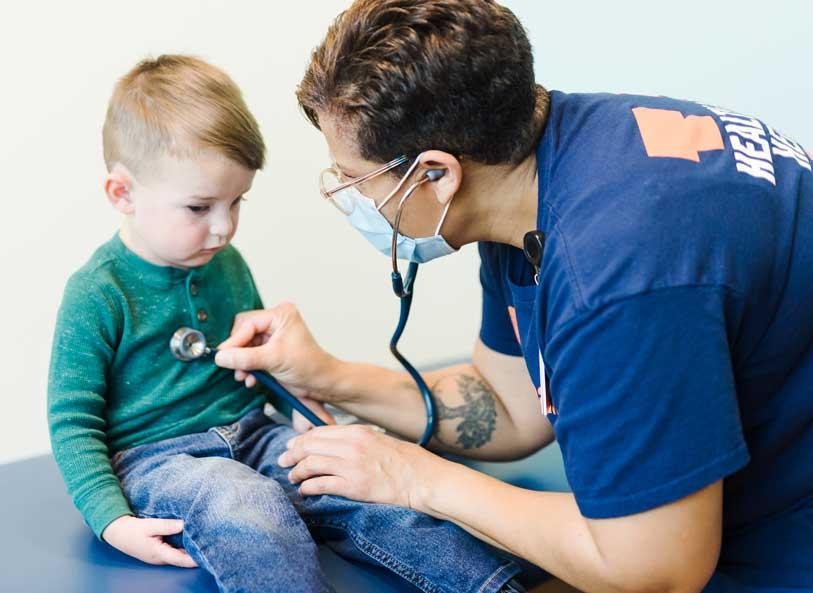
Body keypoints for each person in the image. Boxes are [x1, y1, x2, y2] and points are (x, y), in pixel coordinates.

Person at [214, 1, 813, 592]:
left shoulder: (612, 270)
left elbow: (654, 567)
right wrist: (328, 377)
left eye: (354, 178)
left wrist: (414, 478)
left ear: (436, 174)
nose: (345, 195)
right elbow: (510, 407)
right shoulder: (540, 170)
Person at [47, 54, 524, 593]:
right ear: (123, 194)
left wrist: (301, 417)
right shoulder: (97, 292)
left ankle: (490, 587)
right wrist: (112, 521)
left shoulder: (224, 263)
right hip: (161, 459)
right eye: (199, 207)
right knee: (246, 504)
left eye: (236, 202)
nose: (223, 227)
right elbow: (72, 423)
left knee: (357, 482)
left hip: (254, 432)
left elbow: (255, 365)